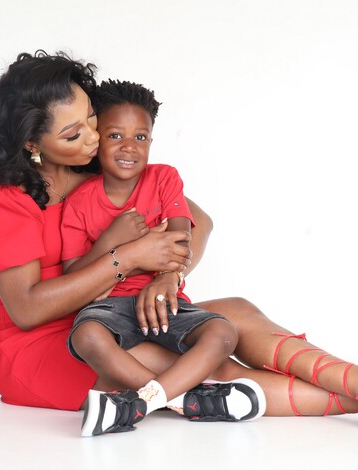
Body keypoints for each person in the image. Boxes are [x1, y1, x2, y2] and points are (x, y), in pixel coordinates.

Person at [0, 50, 358, 433]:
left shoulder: (97, 168)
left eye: (91, 119)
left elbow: (198, 222)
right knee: (200, 363)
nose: (92, 139)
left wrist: (167, 277)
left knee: (236, 313)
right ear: (31, 142)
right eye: (73, 134)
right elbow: (27, 308)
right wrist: (128, 256)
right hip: (48, 349)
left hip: (116, 313)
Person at [60, 79, 266, 436]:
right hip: (108, 310)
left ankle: (138, 404)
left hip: (165, 301)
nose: (129, 146)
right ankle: (187, 401)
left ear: (151, 141)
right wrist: (110, 241)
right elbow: (74, 275)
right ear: (96, 141)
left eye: (140, 137)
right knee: (86, 336)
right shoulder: (79, 202)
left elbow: (181, 235)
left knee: (222, 332)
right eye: (115, 135)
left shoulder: (164, 178)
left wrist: (166, 278)